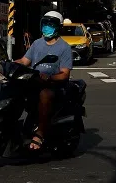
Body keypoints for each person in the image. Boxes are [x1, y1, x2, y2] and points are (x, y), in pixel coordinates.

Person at [14, 11, 73, 152]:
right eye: (45, 24)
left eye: (51, 24)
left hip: (54, 85)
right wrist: (9, 64)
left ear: (58, 27)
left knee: (45, 94)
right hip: (34, 82)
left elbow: (65, 74)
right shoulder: (37, 43)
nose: (47, 27)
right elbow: (24, 61)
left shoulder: (64, 47)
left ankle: (40, 134)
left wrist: (50, 78)